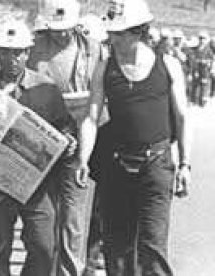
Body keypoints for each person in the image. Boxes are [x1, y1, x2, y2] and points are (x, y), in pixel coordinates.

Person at [76, 0, 192, 275]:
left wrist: (185, 164)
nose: (112, 39)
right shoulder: (106, 68)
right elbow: (91, 118)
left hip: (157, 166)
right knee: (118, 247)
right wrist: (83, 159)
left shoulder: (168, 65)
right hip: (117, 167)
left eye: (119, 33)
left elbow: (182, 118)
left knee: (153, 247)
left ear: (138, 31)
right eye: (112, 33)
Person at [0, 20, 78, 276]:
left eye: (17, 52)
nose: (10, 59)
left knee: (45, 246)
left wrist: (68, 141)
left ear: (27, 53)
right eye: (4, 52)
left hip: (37, 184)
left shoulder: (45, 88)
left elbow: (64, 126)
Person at [28, 0, 103, 275]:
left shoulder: (93, 50)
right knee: (41, 219)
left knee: (73, 217)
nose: (60, 34)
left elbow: (100, 100)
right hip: (40, 139)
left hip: (79, 141)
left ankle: (70, 271)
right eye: (55, 29)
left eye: (66, 29)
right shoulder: (34, 49)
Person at [188, 30, 213, 106]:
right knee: (194, 85)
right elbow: (192, 59)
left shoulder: (209, 50)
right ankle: (193, 101)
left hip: (205, 71)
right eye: (200, 38)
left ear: (206, 40)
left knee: (204, 85)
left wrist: (205, 62)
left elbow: (211, 60)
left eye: (203, 38)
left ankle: (202, 102)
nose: (202, 40)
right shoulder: (195, 49)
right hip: (196, 70)